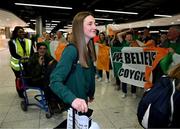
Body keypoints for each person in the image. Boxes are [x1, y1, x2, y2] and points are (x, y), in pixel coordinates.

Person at [50, 11, 97, 128]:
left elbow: (89, 73)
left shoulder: (88, 48)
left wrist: (90, 93)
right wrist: (73, 99)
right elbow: (55, 80)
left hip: (83, 99)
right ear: (79, 27)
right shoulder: (72, 50)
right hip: (75, 101)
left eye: (95, 23)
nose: (95, 27)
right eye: (90, 24)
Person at [8, 26, 34, 98]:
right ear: (16, 33)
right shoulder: (12, 42)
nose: (22, 33)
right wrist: (22, 57)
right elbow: (13, 53)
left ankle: (24, 88)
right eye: (20, 32)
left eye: (23, 31)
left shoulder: (28, 41)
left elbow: (31, 52)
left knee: (25, 77)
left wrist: (31, 59)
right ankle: (20, 92)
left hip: (27, 63)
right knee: (19, 77)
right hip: (16, 64)